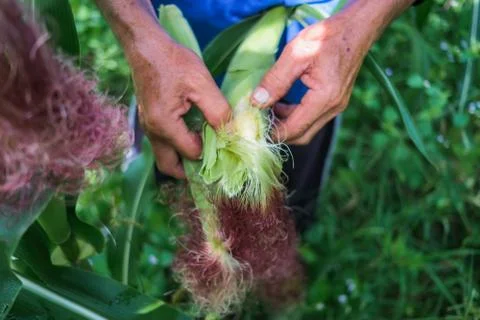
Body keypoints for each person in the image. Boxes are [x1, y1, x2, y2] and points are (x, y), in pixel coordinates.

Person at [94, 0, 423, 231]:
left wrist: (363, 19)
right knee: (179, 193)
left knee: (286, 211)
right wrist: (138, 33)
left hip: (307, 82)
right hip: (166, 64)